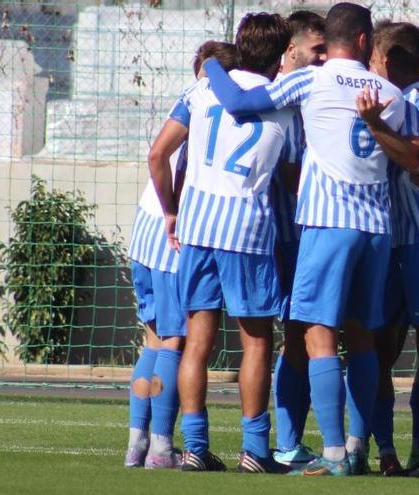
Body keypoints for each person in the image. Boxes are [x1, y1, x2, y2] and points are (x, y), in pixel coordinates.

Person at [203, 2, 406, 476]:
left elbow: (239, 103)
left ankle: (333, 453)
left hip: (326, 224)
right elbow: (413, 152)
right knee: (362, 340)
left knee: (317, 335)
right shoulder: (391, 93)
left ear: (334, 40)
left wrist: (213, 62)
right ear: (363, 41)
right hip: (377, 227)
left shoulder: (311, 80)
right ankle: (358, 444)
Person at [154, 13, 301, 473]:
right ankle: (255, 451)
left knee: (197, 340)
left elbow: (158, 153)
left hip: (197, 227)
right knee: (256, 342)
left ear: (238, 44)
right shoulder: (283, 104)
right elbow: (293, 177)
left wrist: (171, 208)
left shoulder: (201, 90)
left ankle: (195, 448)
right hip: (247, 230)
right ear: (280, 58)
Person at [125, 40, 237, 470]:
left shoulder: (189, 97)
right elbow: (158, 154)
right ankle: (160, 447)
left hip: (143, 229)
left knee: (154, 338)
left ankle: (137, 444)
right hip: (172, 230)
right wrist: (173, 208)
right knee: (176, 340)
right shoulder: (210, 103)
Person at [357, 20, 419, 477]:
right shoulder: (389, 97)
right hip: (391, 238)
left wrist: (378, 126)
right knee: (379, 349)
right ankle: (386, 450)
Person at [270, 9, 325, 470]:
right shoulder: (284, 102)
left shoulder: (308, 96)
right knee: (296, 336)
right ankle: (284, 443)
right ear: (291, 51)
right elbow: (289, 175)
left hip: (297, 233)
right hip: (287, 235)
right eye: (317, 51)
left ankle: (287, 441)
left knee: (300, 338)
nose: (324, 59)